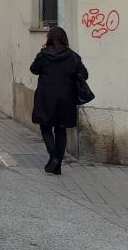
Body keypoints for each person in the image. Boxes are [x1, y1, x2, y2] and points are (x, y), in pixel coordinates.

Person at [30, 26, 88, 175]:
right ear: (64, 39)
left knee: (45, 127)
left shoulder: (44, 55)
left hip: (46, 98)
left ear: (49, 38)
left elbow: (34, 69)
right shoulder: (73, 56)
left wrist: (42, 53)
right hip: (66, 98)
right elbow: (84, 74)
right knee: (61, 129)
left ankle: (54, 157)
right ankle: (57, 164)